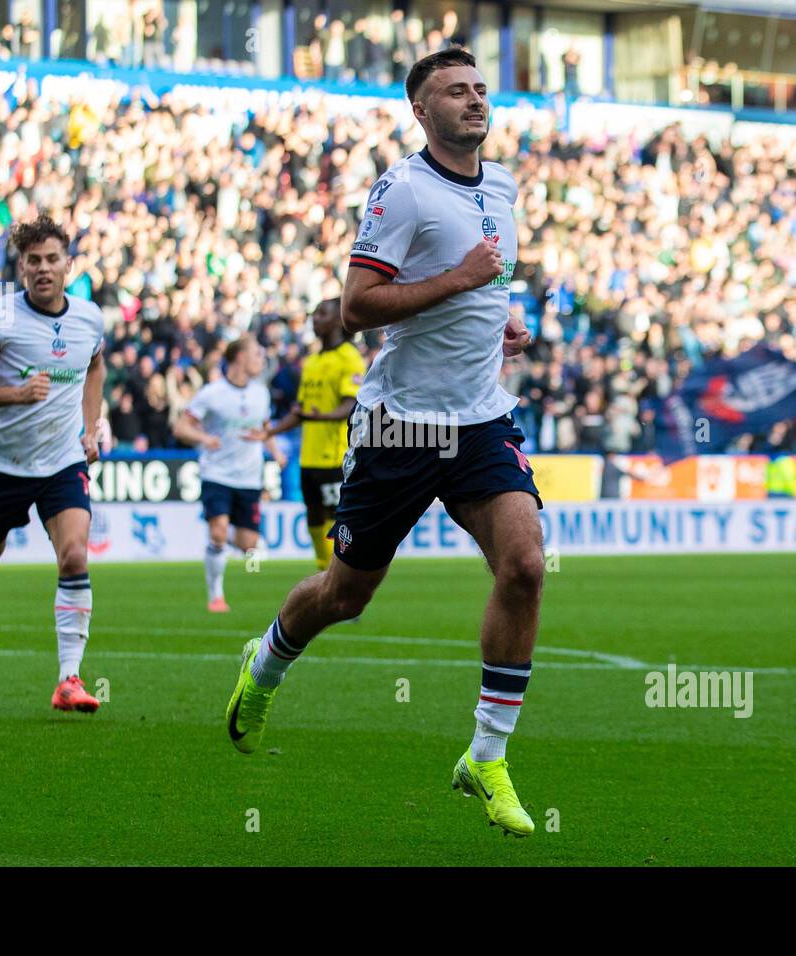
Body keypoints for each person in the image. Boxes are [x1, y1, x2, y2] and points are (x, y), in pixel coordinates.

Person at [224, 49, 542, 837]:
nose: (473, 101)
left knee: (526, 565)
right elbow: (359, 306)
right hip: (400, 425)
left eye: (478, 89)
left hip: (478, 420)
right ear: (420, 112)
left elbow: (487, 274)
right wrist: (465, 281)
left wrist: (501, 316)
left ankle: (486, 757)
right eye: (453, 92)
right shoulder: (402, 191)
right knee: (346, 594)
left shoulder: (501, 184)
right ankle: (263, 666)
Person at [0, 217, 107, 713]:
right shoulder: (0, 317)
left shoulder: (89, 317)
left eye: (52, 259)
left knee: (74, 556)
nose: (44, 269)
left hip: (62, 460)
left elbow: (95, 365)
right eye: (34, 261)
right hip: (3, 464)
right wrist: (16, 394)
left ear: (68, 264)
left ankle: (68, 678)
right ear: (21, 267)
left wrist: (91, 427)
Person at [172, 335, 286, 613]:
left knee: (248, 546)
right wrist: (204, 438)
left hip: (249, 476)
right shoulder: (212, 393)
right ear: (239, 358)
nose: (262, 359)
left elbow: (264, 427)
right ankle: (216, 596)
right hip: (217, 474)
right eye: (257, 354)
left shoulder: (261, 392)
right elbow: (180, 428)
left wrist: (275, 450)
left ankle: (240, 544)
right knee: (219, 531)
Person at [261, 298, 365, 571]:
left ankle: (341, 579)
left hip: (335, 455)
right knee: (314, 517)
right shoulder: (312, 362)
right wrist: (269, 431)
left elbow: (350, 404)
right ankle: (324, 572)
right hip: (309, 456)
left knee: (336, 520)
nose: (315, 319)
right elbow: (302, 411)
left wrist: (319, 416)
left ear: (339, 320)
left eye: (322, 314)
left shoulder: (349, 357)